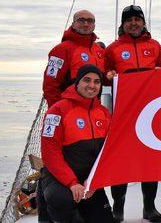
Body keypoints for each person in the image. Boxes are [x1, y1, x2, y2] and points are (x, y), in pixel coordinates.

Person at [104, 5, 161, 222]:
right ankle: (117, 208)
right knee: (120, 161)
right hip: (123, 114)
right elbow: (104, 76)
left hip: (151, 113)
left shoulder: (155, 46)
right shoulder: (112, 48)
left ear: (143, 22)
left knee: (150, 161)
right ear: (123, 24)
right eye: (129, 20)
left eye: (137, 20)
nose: (133, 23)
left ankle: (149, 208)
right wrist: (108, 75)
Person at [38, 64, 114, 223]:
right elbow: (49, 153)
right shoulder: (57, 110)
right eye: (87, 80)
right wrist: (72, 183)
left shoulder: (104, 113)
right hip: (59, 179)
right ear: (77, 83)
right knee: (61, 200)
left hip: (88, 181)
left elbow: (108, 152)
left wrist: (95, 180)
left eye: (96, 81)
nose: (92, 86)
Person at [42, 9, 105, 107]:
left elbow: (103, 80)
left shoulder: (99, 50)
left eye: (90, 21)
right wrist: (58, 110)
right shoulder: (61, 49)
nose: (85, 24)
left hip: (92, 110)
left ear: (94, 25)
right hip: (70, 110)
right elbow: (50, 84)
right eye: (81, 20)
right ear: (73, 24)